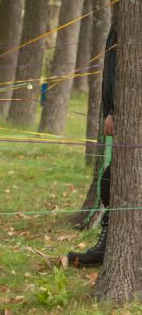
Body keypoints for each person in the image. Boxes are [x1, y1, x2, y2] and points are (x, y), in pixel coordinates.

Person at [67, 24, 117, 267]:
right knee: (110, 182)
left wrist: (115, 111)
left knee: (112, 181)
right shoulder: (122, 18)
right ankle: (108, 246)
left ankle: (106, 248)